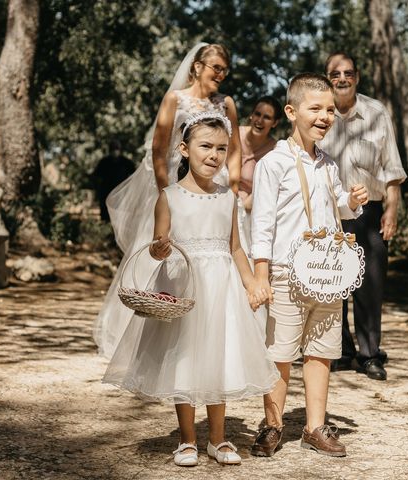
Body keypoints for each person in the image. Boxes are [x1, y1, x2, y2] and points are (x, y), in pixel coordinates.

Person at [103, 113, 278, 467]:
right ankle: (186, 440)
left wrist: (251, 284)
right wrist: (158, 250)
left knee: (219, 356)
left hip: (221, 291)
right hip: (184, 287)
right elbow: (158, 245)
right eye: (205, 147)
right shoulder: (169, 197)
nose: (213, 155)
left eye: (221, 149)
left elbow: (235, 248)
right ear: (185, 149)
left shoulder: (227, 198)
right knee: (184, 358)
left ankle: (217, 438)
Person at [93, 43, 242, 359]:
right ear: (197, 66)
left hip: (217, 191)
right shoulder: (175, 100)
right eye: (216, 67)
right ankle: (155, 339)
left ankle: (217, 335)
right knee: (166, 253)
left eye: (225, 69)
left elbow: (236, 149)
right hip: (178, 186)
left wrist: (233, 184)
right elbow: (159, 151)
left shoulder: (226, 103)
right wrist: (168, 194)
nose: (221, 74)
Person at [249, 73, 368, 457]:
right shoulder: (274, 163)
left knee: (321, 351)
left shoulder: (328, 164)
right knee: (280, 354)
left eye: (330, 109)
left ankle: (315, 427)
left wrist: (353, 201)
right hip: (286, 272)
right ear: (291, 111)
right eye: (315, 108)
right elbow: (262, 224)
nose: (325, 116)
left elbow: (339, 210)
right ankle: (272, 424)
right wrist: (261, 275)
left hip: (327, 273)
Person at [318, 52, 407, 381]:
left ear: (357, 76)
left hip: (369, 211)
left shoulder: (376, 112)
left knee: (370, 282)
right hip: (326, 212)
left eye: (348, 73)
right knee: (330, 282)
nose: (341, 78)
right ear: (327, 77)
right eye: (334, 73)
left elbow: (391, 168)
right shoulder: (318, 112)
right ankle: (341, 350)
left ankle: (370, 355)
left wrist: (392, 209)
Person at [237, 96, 281, 254]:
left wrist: (244, 205)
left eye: (267, 117)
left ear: (275, 123)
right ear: (251, 115)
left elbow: (269, 186)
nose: (260, 121)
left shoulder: (274, 149)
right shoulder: (234, 134)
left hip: (250, 208)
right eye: (257, 114)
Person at [91, 140, 135, 221]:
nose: (115, 151)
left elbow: (134, 174)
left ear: (119, 150)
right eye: (113, 149)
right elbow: (96, 176)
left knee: (120, 216)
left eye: (116, 149)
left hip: (121, 194)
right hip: (106, 193)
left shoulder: (126, 162)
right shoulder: (104, 162)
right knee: (106, 215)